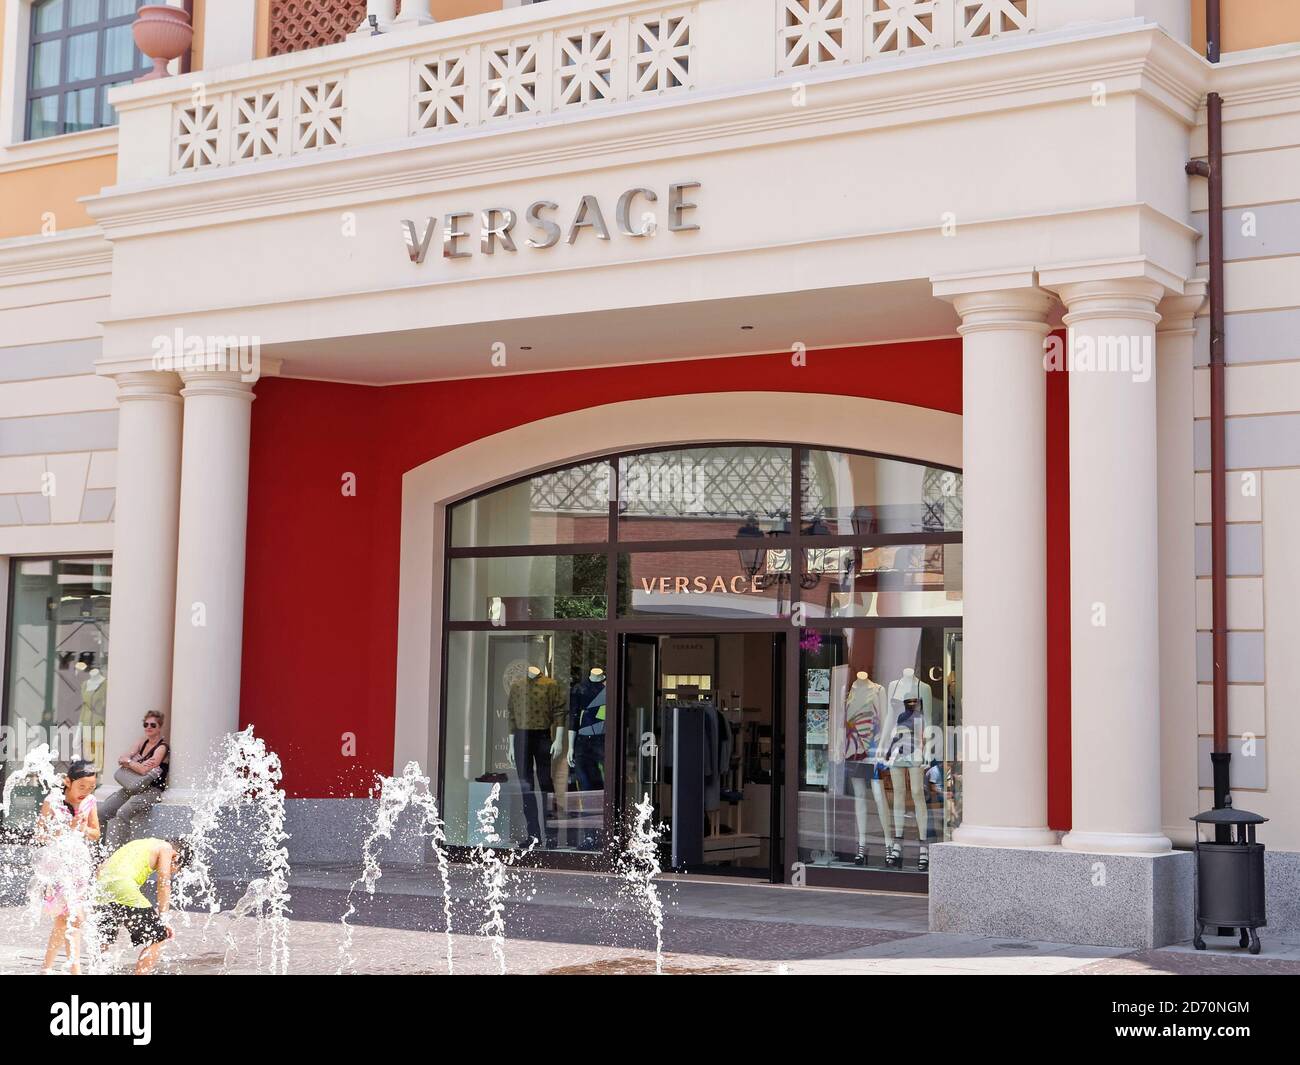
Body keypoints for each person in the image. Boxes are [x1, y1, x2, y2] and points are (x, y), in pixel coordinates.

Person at [35, 760, 100, 974]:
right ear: (68, 782)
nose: (86, 791)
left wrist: (82, 828)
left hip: (79, 867)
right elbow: (40, 834)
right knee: (74, 918)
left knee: (65, 920)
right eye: (81, 786)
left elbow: (95, 833)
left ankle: (47, 968)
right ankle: (75, 970)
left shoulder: (90, 801)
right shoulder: (53, 801)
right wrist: (66, 829)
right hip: (56, 868)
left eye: (90, 787)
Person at [94, 837, 192, 975]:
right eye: (175, 869)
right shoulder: (166, 848)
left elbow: (101, 868)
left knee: (104, 940)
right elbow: (163, 881)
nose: (173, 872)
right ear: (176, 857)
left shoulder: (141, 843)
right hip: (123, 887)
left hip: (100, 890)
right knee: (157, 936)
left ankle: (96, 971)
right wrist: (163, 919)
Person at [99, 711, 170, 850]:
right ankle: (98, 853)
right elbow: (122, 758)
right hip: (132, 787)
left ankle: (121, 854)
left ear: (159, 727)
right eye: (146, 724)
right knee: (101, 812)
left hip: (151, 791)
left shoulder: (162, 748)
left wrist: (130, 762)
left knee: (122, 813)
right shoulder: (141, 742)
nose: (148, 727)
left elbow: (144, 770)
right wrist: (133, 762)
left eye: (153, 725)